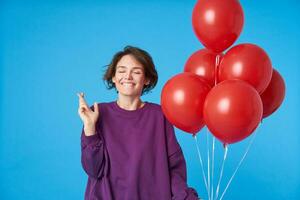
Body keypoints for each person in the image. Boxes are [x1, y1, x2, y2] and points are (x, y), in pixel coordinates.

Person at [77, 46, 199, 200]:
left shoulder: (160, 115)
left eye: (136, 71)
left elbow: (174, 168)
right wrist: (89, 128)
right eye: (121, 71)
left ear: (147, 79)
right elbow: (93, 170)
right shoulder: (97, 113)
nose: (127, 76)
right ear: (113, 77)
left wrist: (185, 197)